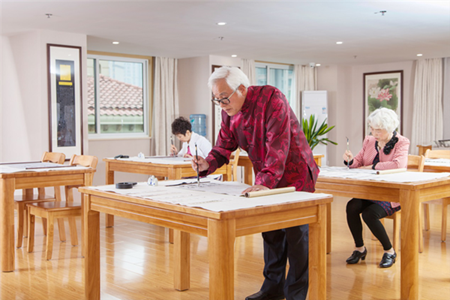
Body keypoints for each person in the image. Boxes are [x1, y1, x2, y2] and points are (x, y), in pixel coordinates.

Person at [192, 66, 319, 300]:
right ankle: (272, 289)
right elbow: (223, 146)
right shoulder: (228, 111)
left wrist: (265, 181)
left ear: (242, 89)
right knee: (270, 231)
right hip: (267, 176)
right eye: (216, 100)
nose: (221, 104)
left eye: (224, 98)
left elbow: (278, 145)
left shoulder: (272, 98)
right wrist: (206, 164)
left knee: (295, 235)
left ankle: (296, 293)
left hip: (294, 173)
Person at [343, 107, 410, 268]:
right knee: (351, 206)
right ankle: (359, 248)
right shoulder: (369, 140)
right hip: (369, 191)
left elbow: (398, 164)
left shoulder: (402, 142)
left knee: (369, 214)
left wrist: (372, 167)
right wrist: (350, 161)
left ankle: (389, 251)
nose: (374, 133)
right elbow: (358, 162)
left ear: (389, 128)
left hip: (390, 194)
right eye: (372, 128)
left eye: (378, 130)